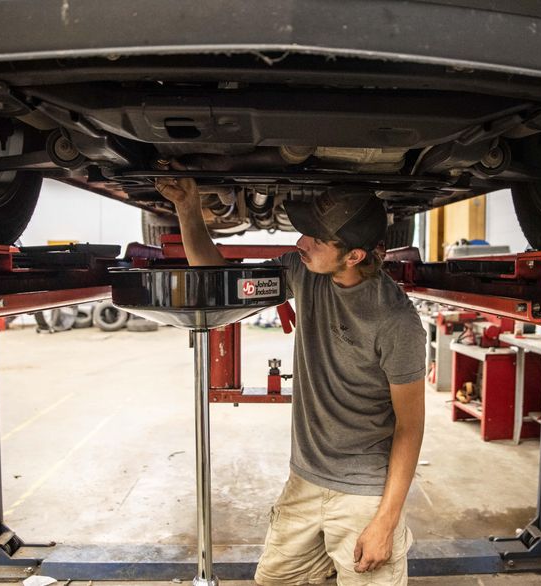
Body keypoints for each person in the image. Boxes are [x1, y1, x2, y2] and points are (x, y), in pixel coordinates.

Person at [156, 173, 426, 585]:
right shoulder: (305, 274)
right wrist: (188, 210)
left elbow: (410, 427)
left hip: (363, 494)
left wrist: (385, 522)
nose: (302, 243)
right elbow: (220, 282)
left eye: (317, 239)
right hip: (305, 480)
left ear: (353, 256)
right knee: (275, 580)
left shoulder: (395, 321)